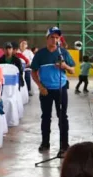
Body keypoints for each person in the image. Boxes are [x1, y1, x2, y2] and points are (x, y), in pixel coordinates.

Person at [31, 26, 75, 155]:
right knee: (45, 117)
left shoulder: (63, 53)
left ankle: (64, 145)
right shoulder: (40, 54)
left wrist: (64, 65)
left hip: (60, 89)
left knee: (62, 117)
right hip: (45, 90)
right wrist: (40, 86)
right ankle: (45, 143)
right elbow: (33, 72)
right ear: (47, 38)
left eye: (57, 38)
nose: (55, 40)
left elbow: (72, 70)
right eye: (52, 37)